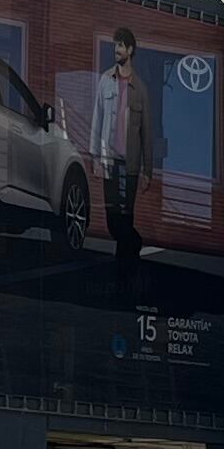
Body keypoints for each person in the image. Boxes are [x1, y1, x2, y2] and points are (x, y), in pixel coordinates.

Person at [91, 21, 150, 269]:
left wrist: (148, 171)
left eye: (121, 46)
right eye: (115, 45)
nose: (116, 50)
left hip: (130, 164)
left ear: (130, 50)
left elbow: (146, 133)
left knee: (125, 215)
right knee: (112, 220)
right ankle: (134, 244)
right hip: (109, 160)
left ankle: (124, 266)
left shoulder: (140, 89)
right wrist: (95, 156)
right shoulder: (105, 80)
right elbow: (97, 118)